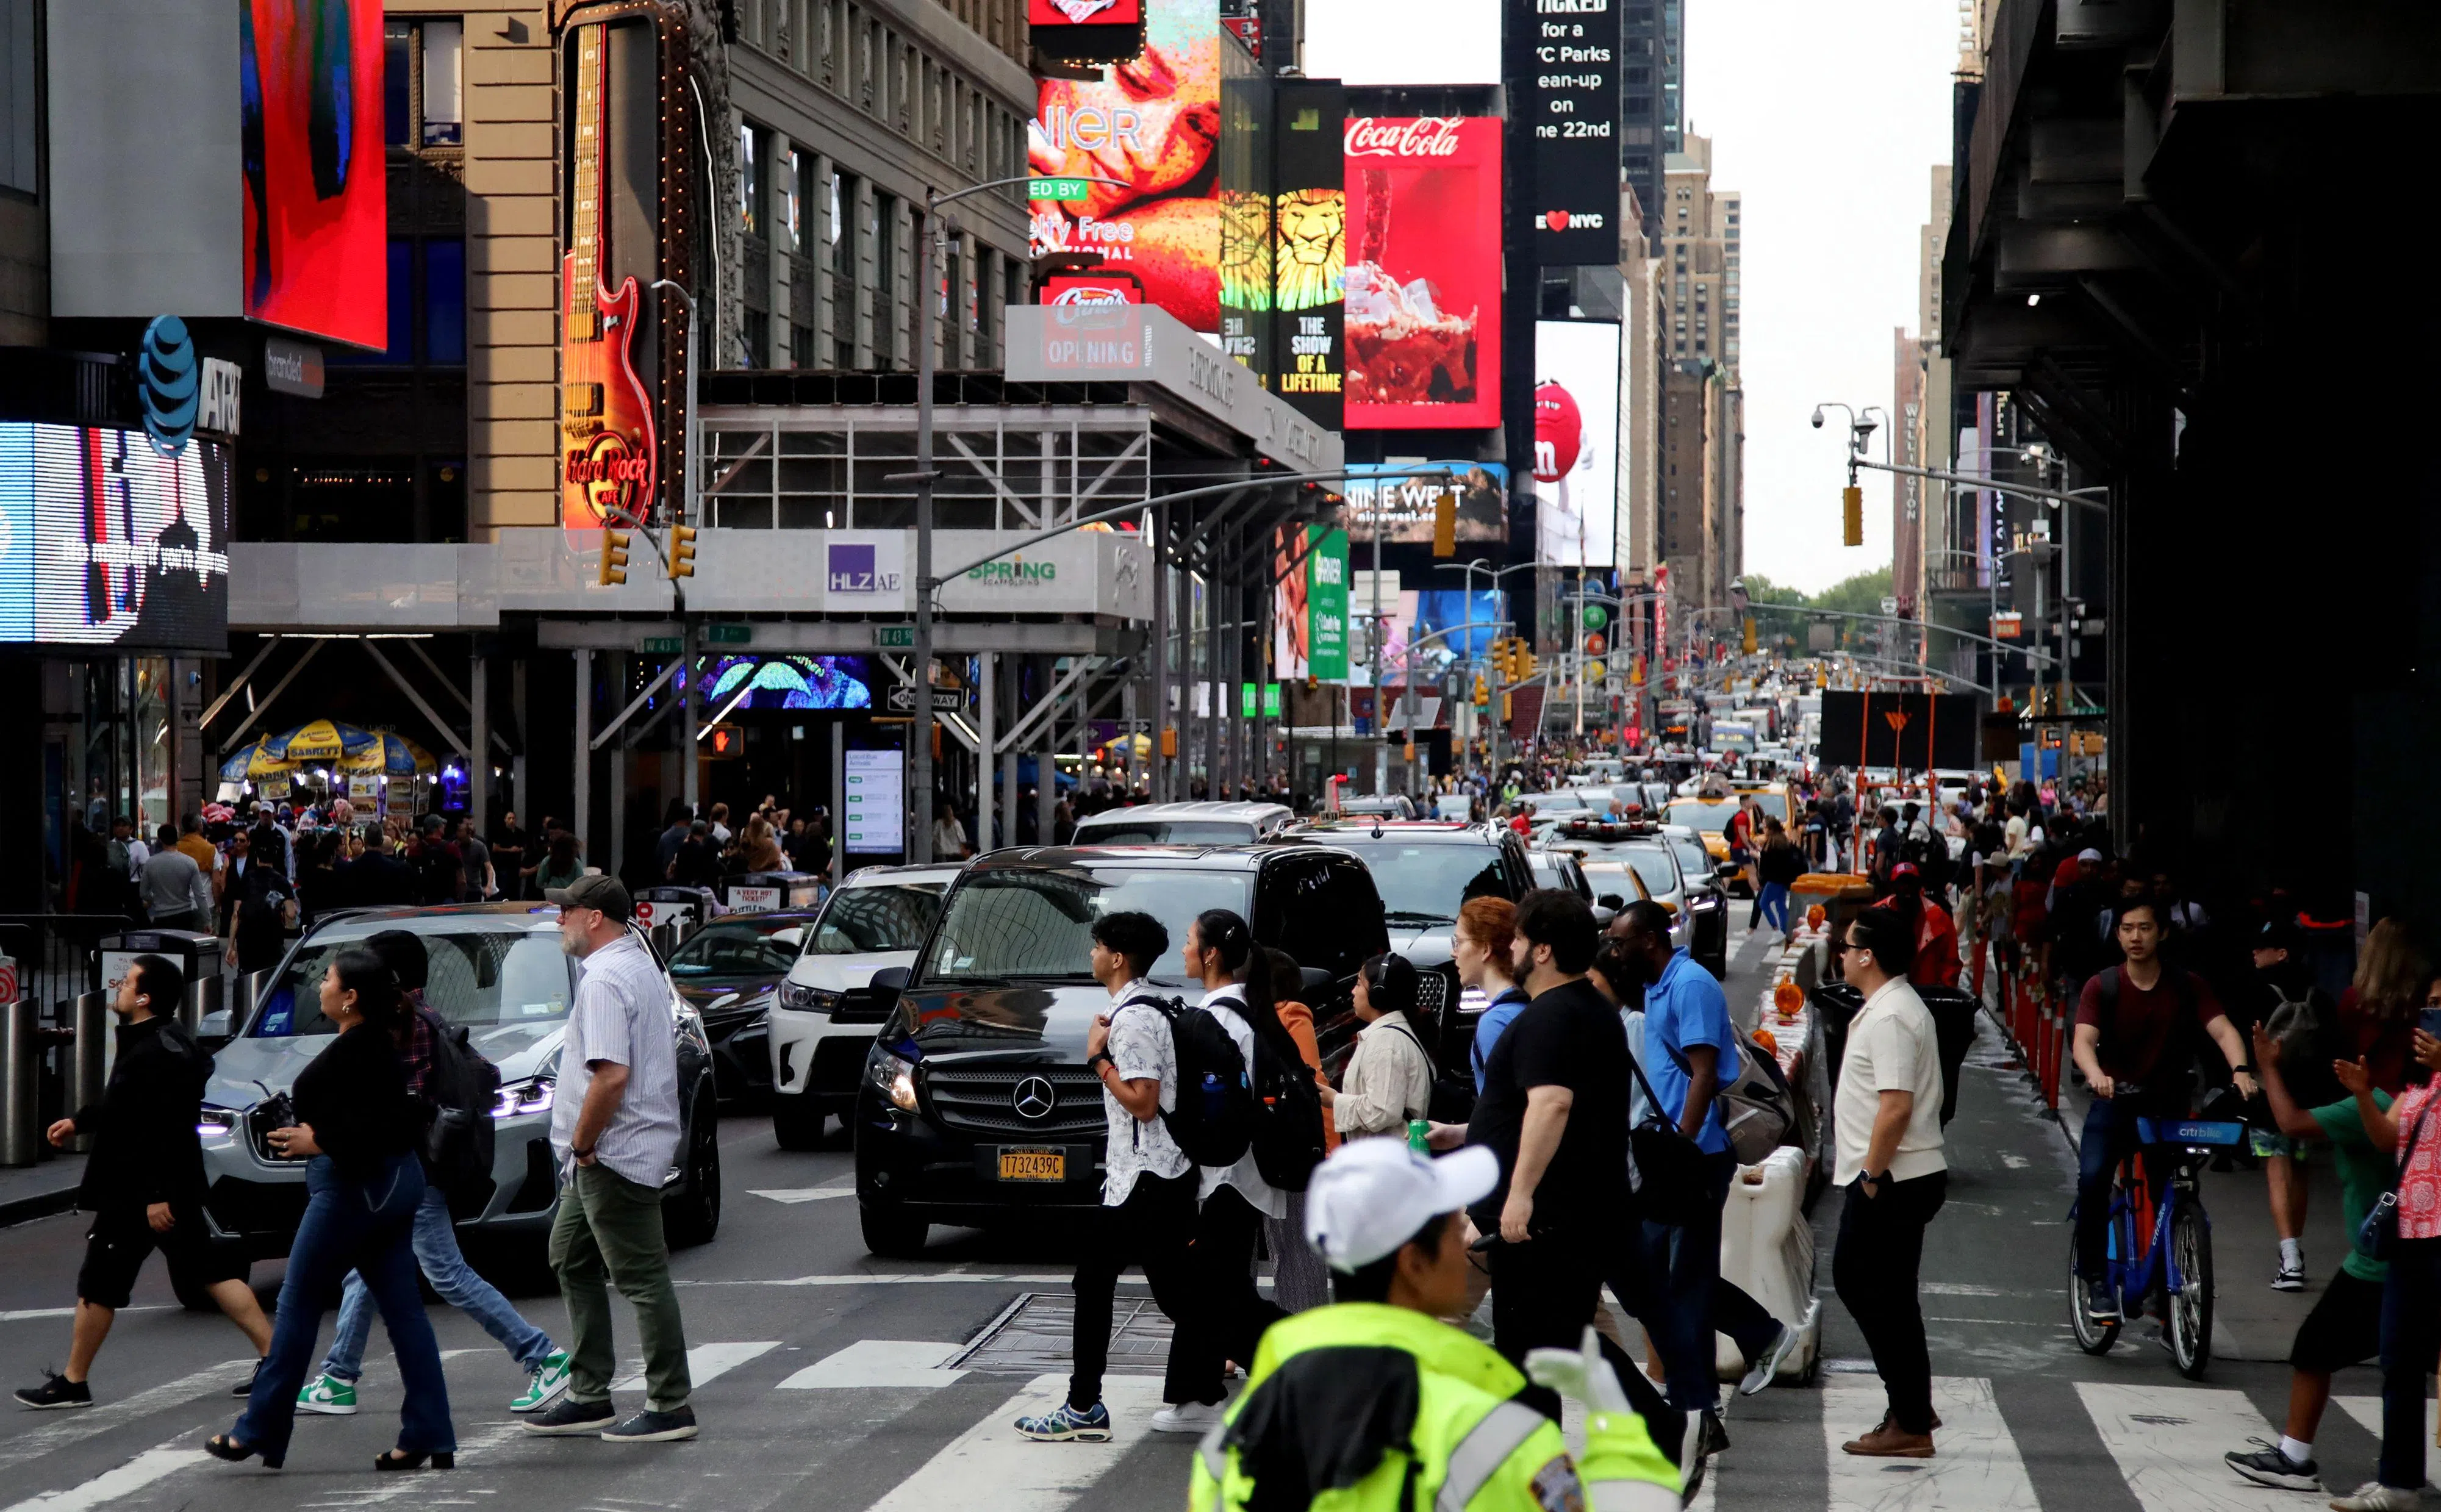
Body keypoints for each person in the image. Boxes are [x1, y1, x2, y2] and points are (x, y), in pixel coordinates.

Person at [1188, 1138, 1680, 1512]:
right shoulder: (1493, 1431)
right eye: (1452, 1228)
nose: (1468, 1239)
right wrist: (1618, 1434)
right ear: (1413, 1263)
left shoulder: (1245, 1426)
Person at [294, 932, 572, 1418]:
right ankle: (339, 1375)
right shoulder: (422, 1018)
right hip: (412, 1170)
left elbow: (391, 1110)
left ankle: (543, 1356)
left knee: (446, 1271)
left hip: (413, 1171)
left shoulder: (399, 1025)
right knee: (367, 1271)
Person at [205, 950, 454, 1472]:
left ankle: (259, 1428)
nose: (320, 984)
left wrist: (317, 1141)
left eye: (329, 978)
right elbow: (386, 1116)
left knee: (296, 1306)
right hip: (386, 1188)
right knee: (405, 1312)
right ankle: (431, 1432)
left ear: (350, 997)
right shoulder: (371, 1043)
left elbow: (385, 1122)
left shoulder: (364, 1047)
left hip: (353, 1190)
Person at [15, 956, 273, 1410]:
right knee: (206, 1270)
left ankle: (75, 1382)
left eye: (127, 980)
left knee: (108, 1279)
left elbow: (165, 1128)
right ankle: (276, 1359)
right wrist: (79, 1121)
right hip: (151, 1188)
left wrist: (159, 1196)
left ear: (144, 997)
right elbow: (125, 1104)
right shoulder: (158, 1044)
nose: (119, 986)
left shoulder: (157, 1053)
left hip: (143, 1192)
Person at [1015, 912, 1205, 1442]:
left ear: (1118, 957)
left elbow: (1143, 1103)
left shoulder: (1134, 1020)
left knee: (1116, 1283)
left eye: (1097, 946)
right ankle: (1088, 1401)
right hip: (1143, 1177)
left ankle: (1083, 1405)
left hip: (1148, 1178)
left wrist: (1098, 1060)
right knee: (1170, 1293)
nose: (1091, 954)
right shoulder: (1136, 1009)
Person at [1607, 902, 1796, 1430]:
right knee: (1662, 1277)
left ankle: (1702, 1400)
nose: (1616, 951)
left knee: (1681, 1282)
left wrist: (1682, 1147)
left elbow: (1704, 1073)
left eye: (1622, 942)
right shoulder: (1658, 984)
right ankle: (1760, 1338)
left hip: (1696, 1157)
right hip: (1672, 1153)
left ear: (1649, 939)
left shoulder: (1689, 985)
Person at [525, 875, 697, 1443]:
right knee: (570, 1256)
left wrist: (581, 1143)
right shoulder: (637, 965)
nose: (558, 921)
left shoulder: (604, 980)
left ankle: (670, 1403)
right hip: (608, 1150)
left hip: (611, 1151)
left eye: (565, 911)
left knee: (642, 1277)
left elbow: (612, 1074)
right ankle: (588, 1391)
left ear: (593, 917)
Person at [2221, 1009, 2411, 1493]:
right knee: (2402, 1362)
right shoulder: (2375, 1100)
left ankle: (2295, 1458)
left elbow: (2289, 1121)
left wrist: (2268, 1068)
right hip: (2391, 1256)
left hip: (2377, 1262)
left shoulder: (2355, 1107)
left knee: (2312, 1349)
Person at [1463, 890, 1631, 1422]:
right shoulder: (1586, 1009)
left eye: (1517, 937)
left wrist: (1519, 1196)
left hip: (1546, 1224)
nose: (1508, 946)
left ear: (1542, 950)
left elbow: (1552, 1103)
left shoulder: (1551, 1016)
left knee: (1529, 1361)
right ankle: (1663, 1422)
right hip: (1572, 1216)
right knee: (1558, 1345)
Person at [2070, 897, 2258, 1323]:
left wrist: (2242, 1070)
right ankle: (2096, 1279)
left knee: (2174, 1188)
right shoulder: (2103, 985)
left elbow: (2223, 1029)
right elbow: (2083, 1040)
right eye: (2127, 928)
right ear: (2117, 934)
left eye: (2145, 928)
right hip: (2115, 1104)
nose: (2136, 937)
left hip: (2168, 1106)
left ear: (2163, 932)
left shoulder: (2187, 985)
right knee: (2094, 1178)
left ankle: (2164, 1279)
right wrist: (2096, 1073)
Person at [1163, 909, 1293, 1434]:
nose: (1185, 950)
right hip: (1244, 1175)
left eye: (1191, 941)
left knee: (1212, 1293)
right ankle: (1195, 1395)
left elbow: (1203, 1107)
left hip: (1229, 1176)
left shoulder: (1218, 1019)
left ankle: (1313, 1360)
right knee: (1218, 1290)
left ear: (1212, 954)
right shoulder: (1247, 1014)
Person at [1827, 906, 1949, 1459]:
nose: (1842, 954)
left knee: (1861, 1283)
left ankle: (1908, 1415)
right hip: (1898, 1176)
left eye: (1849, 946)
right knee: (1893, 1296)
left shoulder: (1892, 1015)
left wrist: (1870, 1177)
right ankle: (1912, 1408)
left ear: (1868, 955)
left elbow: (1895, 1106)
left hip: (1893, 1178)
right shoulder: (1888, 1007)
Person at [2321, 1025, 2441, 1512]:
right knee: (2400, 1357)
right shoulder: (2418, 1083)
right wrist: (2362, 1095)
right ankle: (2399, 1482)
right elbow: (2387, 1136)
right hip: (2412, 1233)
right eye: (2431, 1004)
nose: (2433, 1016)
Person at [2248, 919, 2338, 1292]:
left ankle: (2289, 1258)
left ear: (2281, 953)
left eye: (2263, 947)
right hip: (2309, 1098)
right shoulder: (2320, 994)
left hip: (2271, 1092)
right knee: (2300, 1169)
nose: (2255, 952)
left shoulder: (2256, 992)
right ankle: (2294, 1252)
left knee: (2276, 1168)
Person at [1261, 948, 1335, 1311]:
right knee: (1293, 1245)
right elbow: (1312, 1082)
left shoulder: (1286, 1015)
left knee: (1288, 1243)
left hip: (1271, 1148)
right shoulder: (1285, 1017)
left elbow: (1307, 1083)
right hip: (1278, 1150)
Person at [1322, 953, 1435, 1140]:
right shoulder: (1389, 1035)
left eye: (1359, 984)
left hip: (1387, 1163)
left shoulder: (1386, 1041)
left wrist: (1335, 1100)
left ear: (1378, 993)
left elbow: (1383, 1111)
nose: (1353, 991)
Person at [1457, 897, 1529, 1095]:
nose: (1454, 952)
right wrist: (1459, 1129)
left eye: (1459, 942)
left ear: (1486, 949)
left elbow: (1506, 1109)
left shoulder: (1495, 1021)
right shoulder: (1530, 1003)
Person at [138, 835, 215, 934]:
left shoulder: (150, 863)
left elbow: (143, 893)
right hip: (184, 916)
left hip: (161, 917)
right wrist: (207, 921)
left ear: (160, 841)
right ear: (177, 840)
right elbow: (200, 895)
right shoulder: (190, 862)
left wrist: (155, 899)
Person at [1755, 818, 1803, 941]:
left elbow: (1768, 864)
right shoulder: (1782, 840)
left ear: (1770, 829)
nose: (1763, 829)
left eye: (1765, 827)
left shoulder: (1772, 843)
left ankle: (1777, 930)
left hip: (1775, 879)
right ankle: (1785, 931)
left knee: (1763, 903)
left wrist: (1762, 880)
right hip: (1784, 879)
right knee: (1780, 905)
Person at [490, 811, 530, 900]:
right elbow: (495, 848)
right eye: (509, 818)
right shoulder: (500, 832)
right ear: (505, 820)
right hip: (503, 866)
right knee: (503, 890)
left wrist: (520, 849)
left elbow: (525, 846)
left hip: (516, 866)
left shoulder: (520, 833)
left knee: (515, 891)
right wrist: (510, 850)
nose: (511, 820)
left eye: (513, 818)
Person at [456, 817, 493, 901]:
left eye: (462, 839)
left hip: (474, 889)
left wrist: (488, 886)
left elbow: (489, 868)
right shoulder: (455, 846)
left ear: (469, 834)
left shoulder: (480, 846)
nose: (460, 841)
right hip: (459, 889)